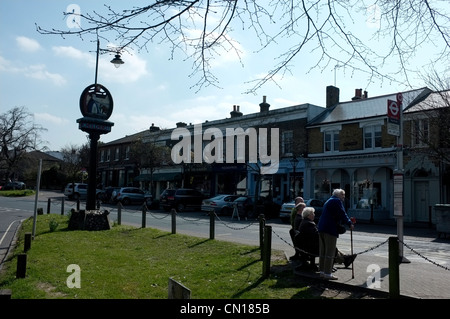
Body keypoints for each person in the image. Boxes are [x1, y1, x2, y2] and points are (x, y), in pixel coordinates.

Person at [317, 189, 354, 280]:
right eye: (343, 195)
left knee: (323, 251)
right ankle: (327, 273)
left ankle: (321, 271)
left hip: (322, 227)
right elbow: (342, 213)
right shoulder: (336, 201)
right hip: (330, 229)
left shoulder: (328, 200)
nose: (344, 197)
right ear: (339, 195)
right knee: (330, 251)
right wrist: (349, 223)